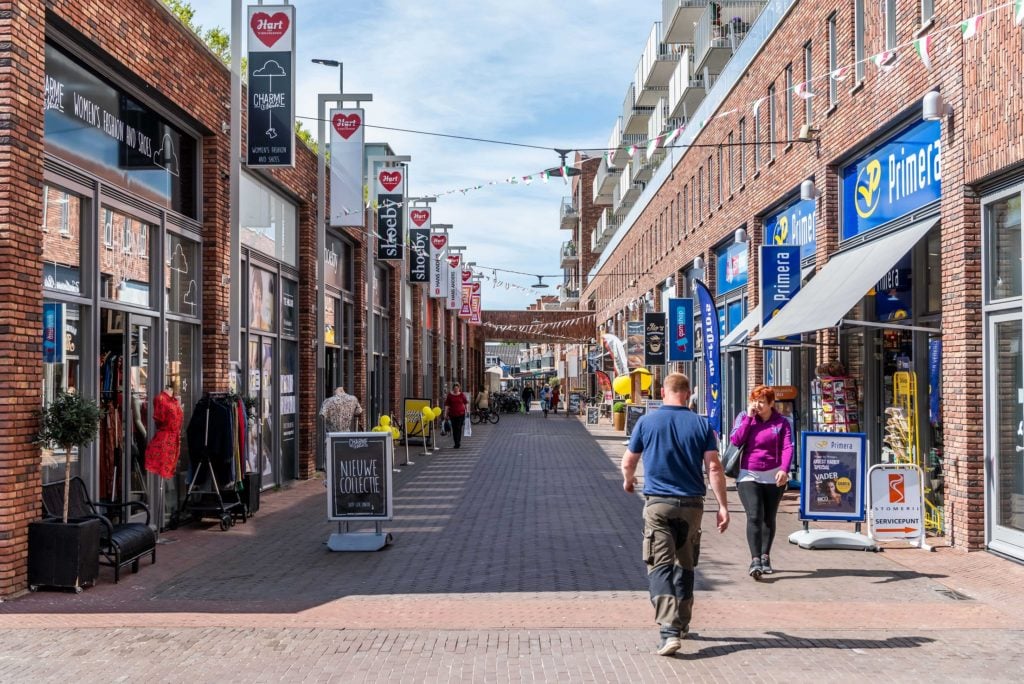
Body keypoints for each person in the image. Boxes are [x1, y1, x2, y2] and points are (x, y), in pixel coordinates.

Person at [621, 372, 729, 657]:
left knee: (659, 565)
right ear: (688, 392)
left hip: (659, 503)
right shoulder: (701, 424)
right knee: (686, 563)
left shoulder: (647, 421)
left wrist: (629, 481)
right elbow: (714, 468)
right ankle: (681, 623)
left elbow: (629, 461)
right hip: (693, 504)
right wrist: (723, 506)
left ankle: (668, 629)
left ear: (663, 391)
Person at [728, 384, 794, 579]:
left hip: (773, 476)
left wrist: (784, 469)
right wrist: (749, 418)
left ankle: (765, 556)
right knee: (755, 514)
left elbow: (787, 447)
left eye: (762, 402)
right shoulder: (745, 418)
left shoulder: (781, 422)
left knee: (768, 517)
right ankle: (755, 559)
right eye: (754, 401)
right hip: (749, 474)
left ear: (772, 403)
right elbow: (736, 440)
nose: (757, 405)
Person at [443, 382, 469, 448]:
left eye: (457, 388)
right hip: (452, 414)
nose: (456, 390)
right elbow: (447, 405)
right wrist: (445, 413)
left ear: (459, 388)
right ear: (453, 388)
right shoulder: (450, 395)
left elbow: (466, 403)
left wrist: (467, 410)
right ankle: (456, 442)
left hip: (461, 414)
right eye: (455, 388)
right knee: (454, 429)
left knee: (459, 428)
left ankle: (458, 442)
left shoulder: (462, 395)